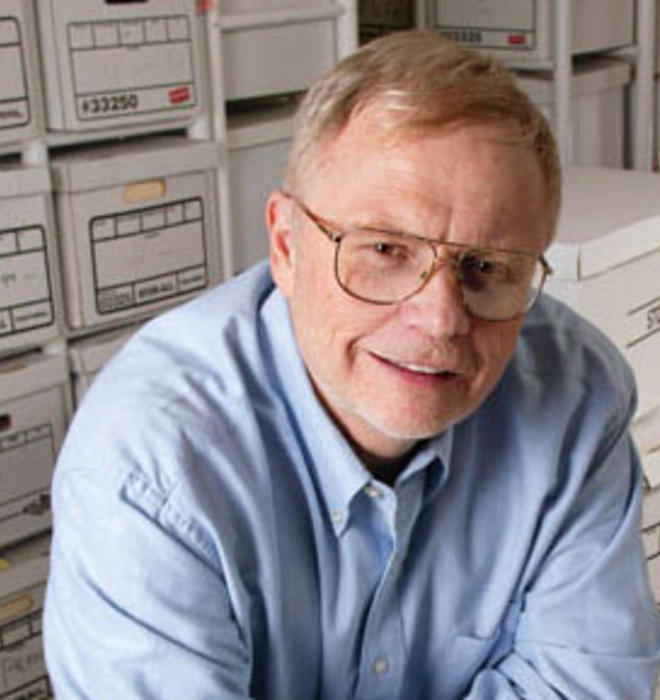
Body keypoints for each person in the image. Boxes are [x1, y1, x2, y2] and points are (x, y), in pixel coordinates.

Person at [43, 30, 660, 699]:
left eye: (485, 267)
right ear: (285, 244)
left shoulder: (574, 397)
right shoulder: (149, 468)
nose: (441, 318)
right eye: (387, 250)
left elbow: (587, 686)